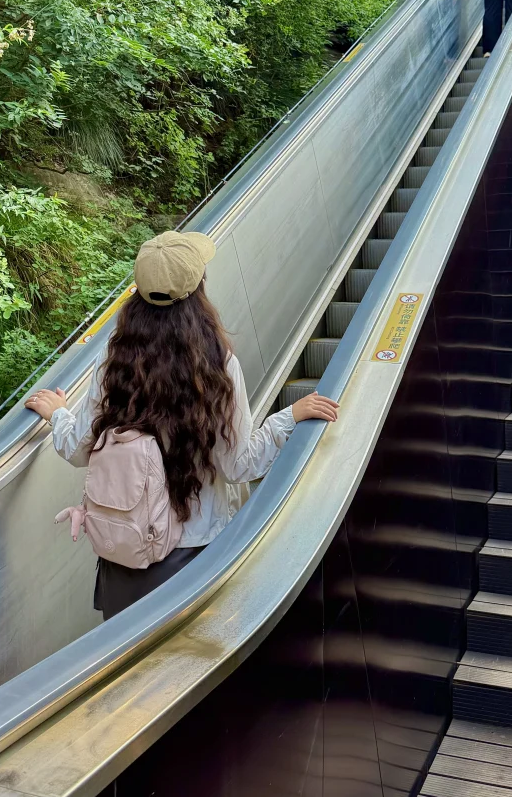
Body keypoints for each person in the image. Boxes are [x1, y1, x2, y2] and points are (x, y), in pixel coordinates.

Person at [25, 230, 339, 620]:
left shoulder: (113, 357)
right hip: (194, 556)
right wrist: (289, 418)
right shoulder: (217, 364)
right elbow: (239, 464)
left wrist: (58, 414)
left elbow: (79, 448)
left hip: (124, 555)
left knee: (126, 655)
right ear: (197, 290)